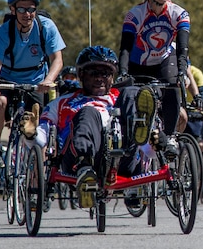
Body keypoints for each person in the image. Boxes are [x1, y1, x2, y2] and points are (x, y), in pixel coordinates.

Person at [29, 46, 148, 209]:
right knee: (88, 113)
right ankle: (85, 172)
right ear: (81, 76)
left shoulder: (120, 98)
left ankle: (135, 179)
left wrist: (155, 144)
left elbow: (150, 152)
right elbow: (43, 135)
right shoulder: (63, 102)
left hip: (121, 157)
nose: (99, 78)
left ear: (112, 78)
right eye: (93, 73)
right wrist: (31, 134)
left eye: (105, 73)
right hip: (76, 163)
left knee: (132, 92)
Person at [0, 0, 66, 169]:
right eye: (21, 9)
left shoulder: (46, 27)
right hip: (8, 79)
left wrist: (48, 80)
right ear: (13, 10)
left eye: (31, 9)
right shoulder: (2, 33)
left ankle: (37, 182)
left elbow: (57, 60)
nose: (27, 14)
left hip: (37, 81)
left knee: (38, 124)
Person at [118, 0, 190, 157]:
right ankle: (130, 141)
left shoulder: (179, 13)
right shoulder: (135, 14)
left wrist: (182, 72)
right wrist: (123, 72)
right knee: (128, 99)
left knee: (173, 85)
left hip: (164, 62)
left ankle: (171, 136)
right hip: (137, 65)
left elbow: (182, 48)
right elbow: (125, 47)